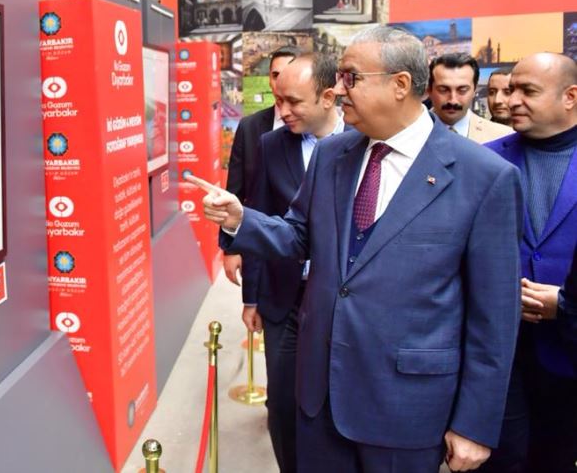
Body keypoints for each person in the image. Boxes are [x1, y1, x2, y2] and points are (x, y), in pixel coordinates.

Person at [191, 27, 522, 473]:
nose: (339, 89)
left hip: (405, 408)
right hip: (320, 396)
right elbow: (299, 236)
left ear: (400, 84)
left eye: (351, 77)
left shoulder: (483, 177)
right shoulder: (333, 156)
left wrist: (475, 423)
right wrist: (239, 219)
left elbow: (494, 316)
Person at [232, 53, 347, 473]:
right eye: (278, 100)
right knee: (282, 402)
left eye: (293, 102)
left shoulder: (360, 147)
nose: (282, 112)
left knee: (333, 400)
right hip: (284, 298)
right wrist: (252, 299)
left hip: (337, 298)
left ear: (328, 97)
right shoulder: (271, 144)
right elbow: (261, 220)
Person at [483, 53, 577, 473]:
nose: (509, 99)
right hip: (499, 355)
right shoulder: (484, 162)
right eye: (508, 89)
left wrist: (567, 302)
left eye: (527, 91)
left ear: (570, 97)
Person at [224, 46, 300, 284]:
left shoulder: (321, 131)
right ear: (268, 79)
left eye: (288, 74)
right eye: (276, 75)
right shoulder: (250, 127)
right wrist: (231, 248)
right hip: (262, 248)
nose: (281, 82)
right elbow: (235, 191)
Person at [427, 52, 511, 142]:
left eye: (462, 90)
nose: (453, 100)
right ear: (429, 90)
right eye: (443, 90)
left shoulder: (502, 137)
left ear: (474, 90)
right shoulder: (412, 131)